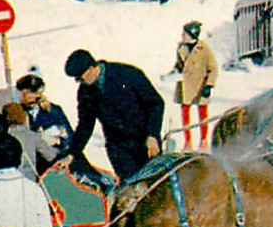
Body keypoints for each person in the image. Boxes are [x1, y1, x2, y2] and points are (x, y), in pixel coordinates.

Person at [63, 49, 165, 183]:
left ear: (91, 68)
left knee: (156, 184)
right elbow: (85, 125)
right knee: (132, 189)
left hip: (145, 141)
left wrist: (152, 135)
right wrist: (72, 154)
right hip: (119, 148)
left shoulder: (128, 74)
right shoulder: (85, 92)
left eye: (80, 77)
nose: (79, 81)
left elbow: (155, 104)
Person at [172, 22, 218, 151]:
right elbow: (179, 65)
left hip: (200, 85)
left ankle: (204, 141)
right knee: (185, 113)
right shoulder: (181, 48)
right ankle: (188, 142)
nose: (183, 36)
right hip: (186, 85)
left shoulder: (204, 49)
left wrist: (209, 85)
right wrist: (174, 72)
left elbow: (213, 69)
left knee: (202, 114)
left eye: (185, 33)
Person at [17, 74, 73, 160]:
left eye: (39, 93)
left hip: (57, 158)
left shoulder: (53, 111)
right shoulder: (17, 113)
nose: (37, 96)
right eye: (26, 93)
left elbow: (69, 137)